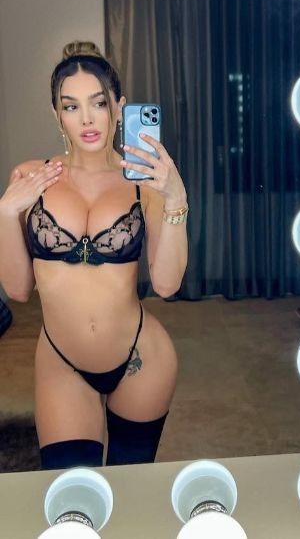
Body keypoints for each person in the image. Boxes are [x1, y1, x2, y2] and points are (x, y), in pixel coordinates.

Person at [0, 41, 188, 469]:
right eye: (71, 106)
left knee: (131, 490)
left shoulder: (145, 183)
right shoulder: (31, 177)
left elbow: (166, 284)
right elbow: (18, 290)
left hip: (141, 358)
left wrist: (176, 197)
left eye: (98, 103)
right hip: (61, 361)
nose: (86, 119)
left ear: (119, 108)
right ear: (56, 114)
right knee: (72, 496)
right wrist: (6, 213)